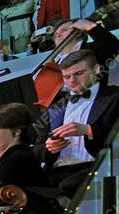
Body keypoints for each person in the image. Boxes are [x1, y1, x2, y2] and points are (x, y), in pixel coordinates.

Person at [36, 50, 119, 198]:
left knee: (66, 187)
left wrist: (89, 130)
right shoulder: (55, 106)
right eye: (66, 77)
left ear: (97, 69)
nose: (71, 81)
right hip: (56, 170)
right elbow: (37, 147)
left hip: (96, 167)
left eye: (78, 74)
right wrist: (49, 147)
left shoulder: (114, 97)